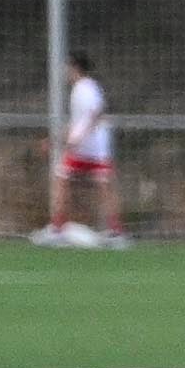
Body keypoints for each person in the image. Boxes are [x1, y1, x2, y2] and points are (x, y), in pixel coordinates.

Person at [51, 55, 120, 245]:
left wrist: (78, 138)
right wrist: (55, 140)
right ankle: (57, 229)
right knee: (62, 180)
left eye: (67, 67)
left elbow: (96, 113)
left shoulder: (87, 88)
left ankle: (116, 233)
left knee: (104, 187)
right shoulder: (78, 89)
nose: (65, 72)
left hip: (95, 148)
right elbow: (77, 122)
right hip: (82, 148)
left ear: (75, 68)